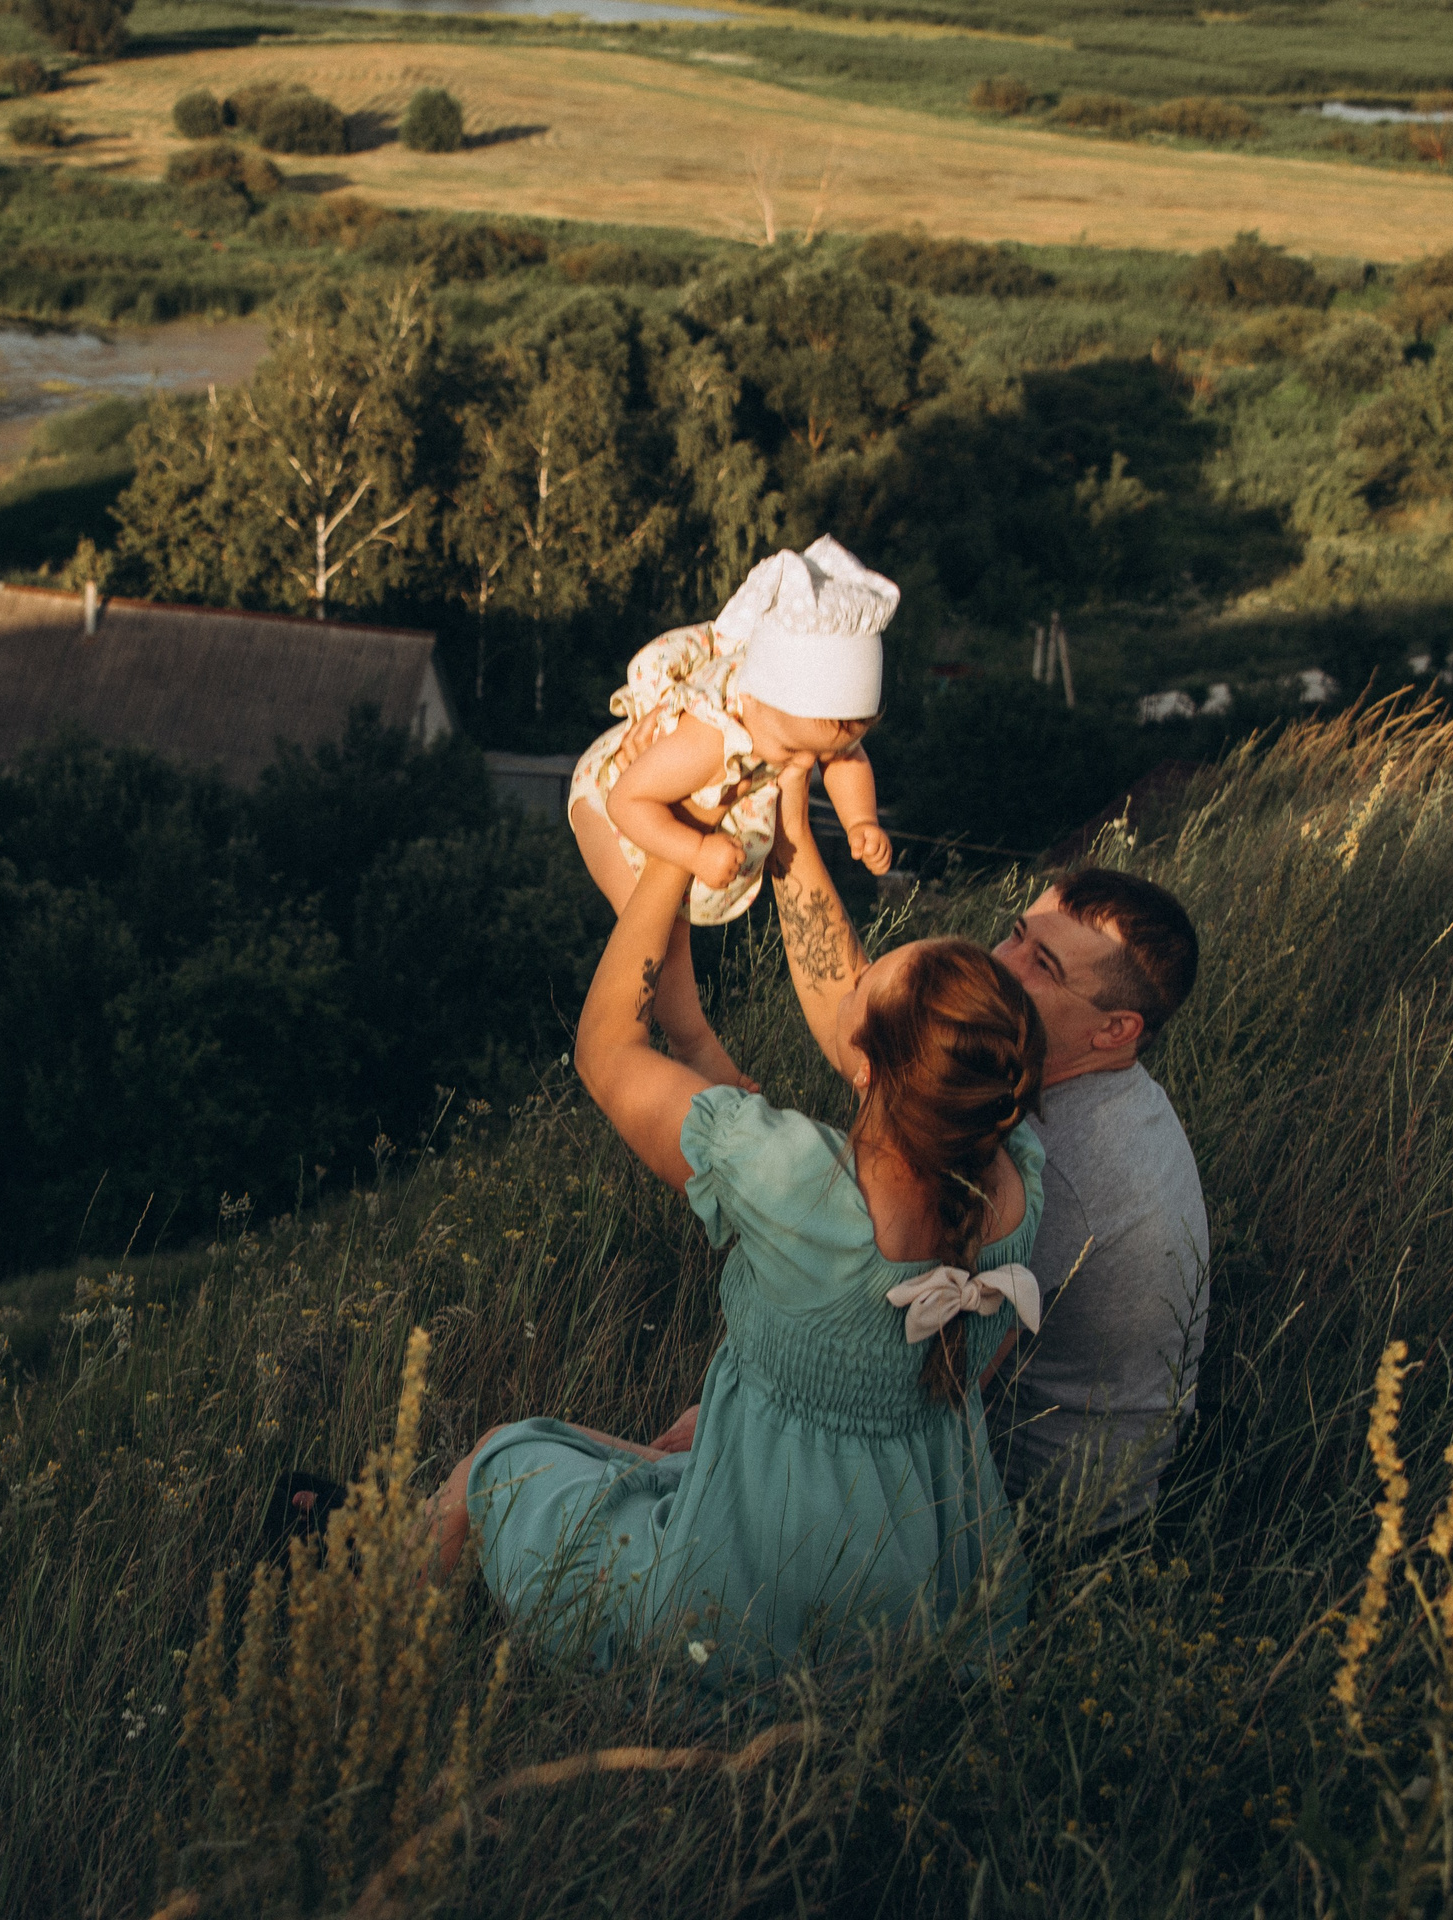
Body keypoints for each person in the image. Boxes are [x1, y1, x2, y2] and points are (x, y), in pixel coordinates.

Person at [426, 758, 1045, 1675]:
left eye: (868, 981)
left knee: (498, 1460)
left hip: (753, 1597)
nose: (853, 977)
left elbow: (605, 1051)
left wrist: (671, 850)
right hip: (927, 1586)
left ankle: (366, 1622)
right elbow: (859, 1011)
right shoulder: (1016, 1181)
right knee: (655, 1452)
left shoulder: (790, 1181)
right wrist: (789, 815)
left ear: (866, 1067)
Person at [568, 536, 897, 1090]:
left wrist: (860, 820)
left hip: (676, 806)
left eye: (818, 755)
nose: (804, 767)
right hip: (612, 806)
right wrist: (695, 849)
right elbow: (628, 801)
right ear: (750, 699)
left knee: (670, 918)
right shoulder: (708, 737)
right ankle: (693, 1044)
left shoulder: (793, 722)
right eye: (792, 751)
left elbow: (847, 758)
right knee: (659, 932)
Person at [986, 871, 1208, 1532]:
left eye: (1043, 966)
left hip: (1038, 1515)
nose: (1000, 965)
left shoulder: (1057, 1163)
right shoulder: (1102, 1094)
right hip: (1099, 1479)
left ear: (1114, 1029)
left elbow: (931, 1382)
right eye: (1015, 935)